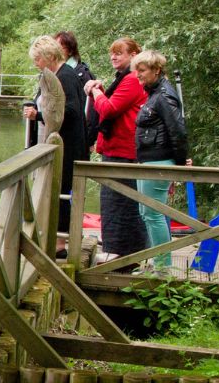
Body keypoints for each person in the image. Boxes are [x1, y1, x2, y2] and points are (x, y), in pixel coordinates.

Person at [85, 37, 148, 269]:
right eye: (112, 53)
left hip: (123, 150)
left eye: (119, 53)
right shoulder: (125, 79)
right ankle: (122, 251)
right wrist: (100, 89)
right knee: (116, 201)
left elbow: (109, 109)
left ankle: (121, 253)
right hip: (118, 148)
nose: (113, 57)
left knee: (119, 203)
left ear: (133, 55)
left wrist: (96, 93)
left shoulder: (131, 80)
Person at [23, 34, 88, 257]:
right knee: (56, 191)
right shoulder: (54, 75)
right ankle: (52, 237)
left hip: (68, 145)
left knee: (60, 190)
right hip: (59, 142)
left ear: (50, 56)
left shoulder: (66, 77)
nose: (36, 64)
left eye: (38, 59)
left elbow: (69, 111)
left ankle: (59, 243)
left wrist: (38, 114)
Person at [131, 50, 189, 271]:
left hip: (159, 161)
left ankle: (163, 266)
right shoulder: (154, 94)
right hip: (149, 161)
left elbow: (178, 131)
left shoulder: (164, 96)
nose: (138, 75)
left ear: (156, 70)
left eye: (142, 70)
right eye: (137, 70)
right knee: (147, 213)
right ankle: (158, 262)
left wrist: (180, 165)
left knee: (153, 214)